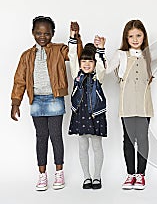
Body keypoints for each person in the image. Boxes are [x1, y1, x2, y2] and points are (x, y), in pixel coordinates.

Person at [10, 16, 82, 191]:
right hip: (36, 101)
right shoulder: (27, 55)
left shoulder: (59, 50)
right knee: (41, 137)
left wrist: (76, 37)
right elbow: (19, 79)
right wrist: (15, 102)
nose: (42, 36)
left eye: (47, 33)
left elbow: (75, 55)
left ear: (53, 34)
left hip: (55, 98)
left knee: (56, 136)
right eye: (38, 33)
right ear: (33, 33)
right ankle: (42, 175)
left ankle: (59, 172)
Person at [106, 19, 153, 190]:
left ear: (144, 36)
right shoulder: (120, 54)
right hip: (126, 105)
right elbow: (106, 70)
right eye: (131, 36)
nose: (135, 39)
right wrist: (99, 50)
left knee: (143, 139)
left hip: (144, 105)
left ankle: (141, 175)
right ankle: (130, 174)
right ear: (126, 38)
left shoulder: (148, 54)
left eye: (138, 35)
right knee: (128, 140)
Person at [68, 26, 107, 190]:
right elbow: (72, 55)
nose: (86, 64)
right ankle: (86, 177)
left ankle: (97, 177)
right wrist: (72, 37)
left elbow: (101, 66)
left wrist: (100, 50)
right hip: (80, 114)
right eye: (84, 60)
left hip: (95, 114)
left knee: (97, 147)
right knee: (83, 146)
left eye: (90, 61)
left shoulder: (99, 76)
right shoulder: (76, 74)